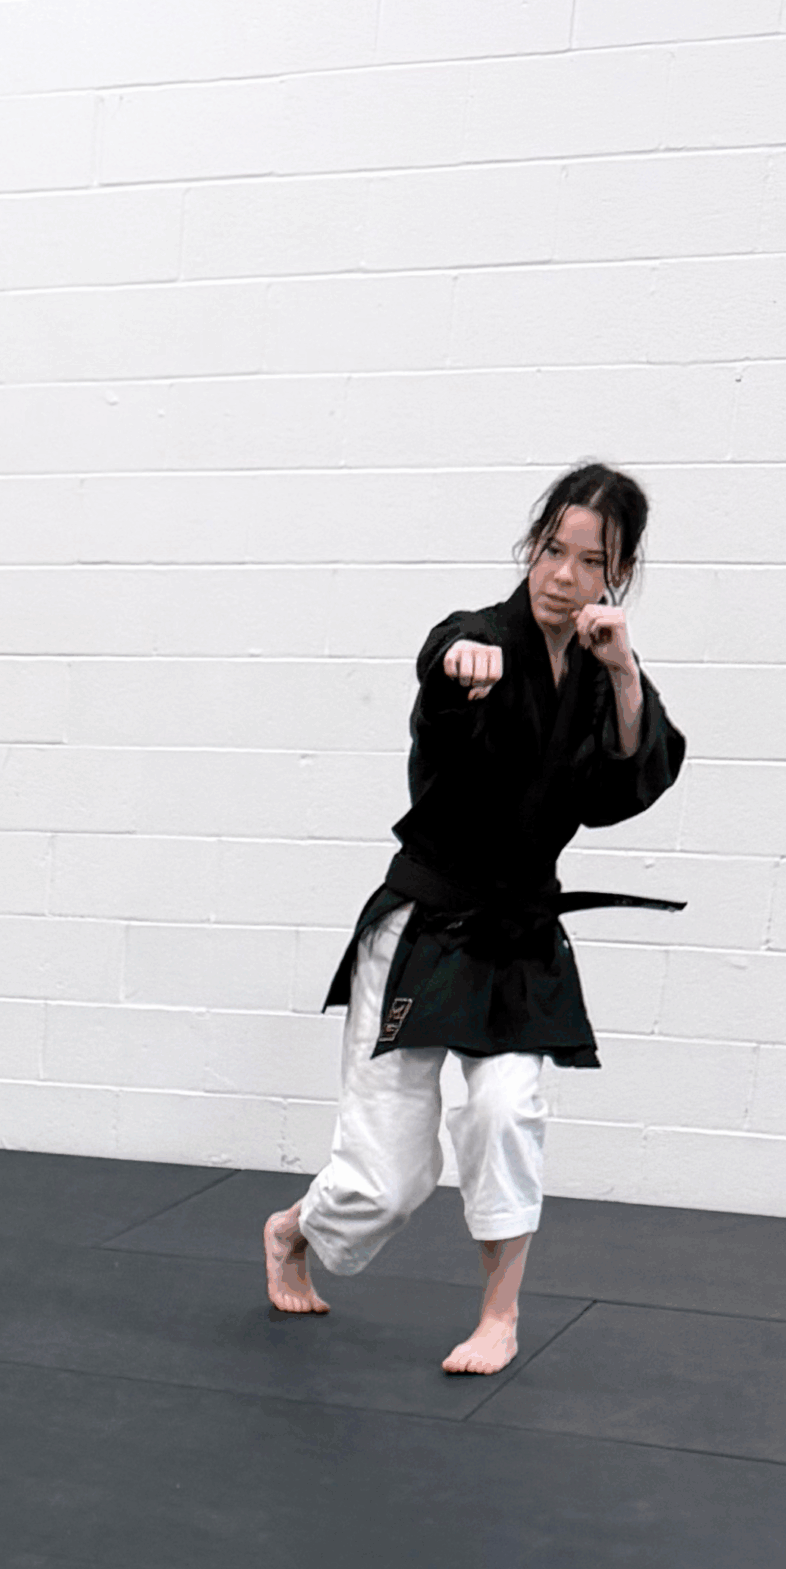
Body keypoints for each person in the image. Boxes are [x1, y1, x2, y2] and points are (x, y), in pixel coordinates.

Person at [265, 463, 687, 1373]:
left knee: (506, 1110)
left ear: (617, 574)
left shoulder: (601, 668)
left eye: (588, 561)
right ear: (531, 546)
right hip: (425, 927)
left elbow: (628, 782)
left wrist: (623, 672)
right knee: (390, 1180)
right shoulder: (481, 643)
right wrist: (462, 661)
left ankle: (500, 1315)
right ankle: (297, 1229)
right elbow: (444, 656)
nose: (562, 576)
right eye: (551, 550)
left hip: (519, 931)